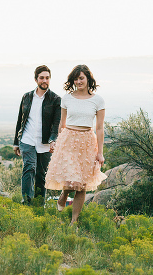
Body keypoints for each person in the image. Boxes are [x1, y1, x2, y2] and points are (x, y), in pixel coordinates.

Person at [45, 64, 108, 224]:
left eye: (81, 78)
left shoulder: (98, 100)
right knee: (71, 178)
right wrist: (58, 143)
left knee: (82, 184)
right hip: (68, 140)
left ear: (88, 79)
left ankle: (74, 222)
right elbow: (62, 124)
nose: (78, 81)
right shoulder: (67, 98)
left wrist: (100, 152)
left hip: (87, 141)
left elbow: (99, 128)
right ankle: (64, 195)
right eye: (76, 78)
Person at [13, 65, 62, 205]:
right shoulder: (27, 97)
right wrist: (16, 142)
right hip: (27, 139)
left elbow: (56, 124)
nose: (44, 80)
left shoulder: (55, 99)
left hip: (45, 143)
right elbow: (20, 120)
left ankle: (39, 205)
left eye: (47, 78)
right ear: (36, 79)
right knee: (29, 167)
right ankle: (26, 202)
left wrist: (53, 140)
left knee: (42, 175)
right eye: (42, 78)